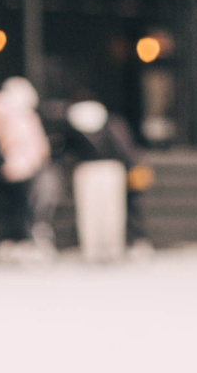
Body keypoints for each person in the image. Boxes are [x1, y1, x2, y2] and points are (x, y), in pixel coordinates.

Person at [0, 77, 52, 261]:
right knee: (18, 206)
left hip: (20, 166)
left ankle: (18, 240)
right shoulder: (8, 113)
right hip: (17, 166)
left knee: (19, 206)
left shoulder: (20, 115)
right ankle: (17, 240)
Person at [58, 99, 142, 263]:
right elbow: (125, 149)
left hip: (90, 170)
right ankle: (111, 248)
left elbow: (64, 150)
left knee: (92, 211)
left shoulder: (76, 127)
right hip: (109, 169)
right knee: (111, 210)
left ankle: (95, 249)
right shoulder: (112, 125)